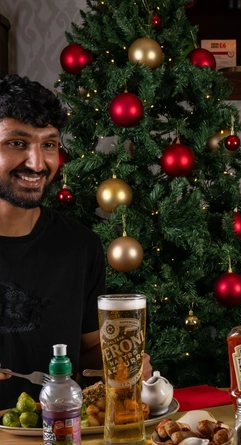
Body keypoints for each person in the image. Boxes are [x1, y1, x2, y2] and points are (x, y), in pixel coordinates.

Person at [0, 75, 151, 410]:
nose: (37, 164)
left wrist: (122, 362)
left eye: (49, 144)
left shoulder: (80, 245)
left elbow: (87, 352)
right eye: (17, 143)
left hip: (63, 430)